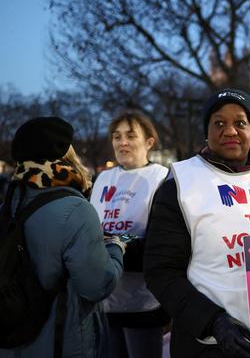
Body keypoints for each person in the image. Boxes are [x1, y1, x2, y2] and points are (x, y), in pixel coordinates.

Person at [143, 88, 250, 358]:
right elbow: (160, 272)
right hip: (211, 346)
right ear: (207, 131)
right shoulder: (180, 188)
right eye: (219, 123)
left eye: (240, 123)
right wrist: (213, 321)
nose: (230, 131)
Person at [0, 117, 124, 357]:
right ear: (65, 155)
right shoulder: (75, 209)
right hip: (62, 343)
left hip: (11, 341)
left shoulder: (7, 207)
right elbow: (97, 285)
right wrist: (116, 248)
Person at [89, 110, 169, 358]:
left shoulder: (163, 178)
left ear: (148, 142)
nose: (122, 142)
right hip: (106, 296)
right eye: (116, 136)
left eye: (130, 135)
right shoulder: (102, 178)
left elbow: (160, 243)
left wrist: (113, 246)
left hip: (143, 298)